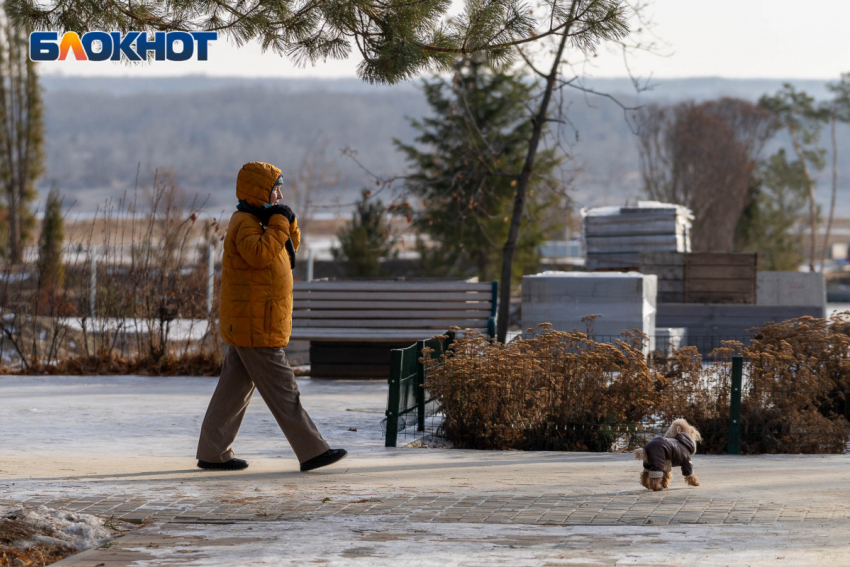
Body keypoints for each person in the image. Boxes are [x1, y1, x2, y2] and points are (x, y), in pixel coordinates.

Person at [196, 161, 348, 472]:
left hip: (253, 322)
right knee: (284, 390)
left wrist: (286, 223)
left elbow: (287, 249)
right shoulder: (245, 223)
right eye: (274, 189)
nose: (279, 195)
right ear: (258, 192)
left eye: (279, 189)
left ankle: (213, 451)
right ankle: (313, 451)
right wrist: (279, 222)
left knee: (233, 391)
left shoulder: (259, 220)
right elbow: (259, 254)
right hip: (255, 325)